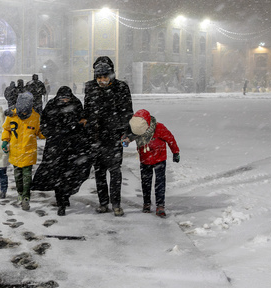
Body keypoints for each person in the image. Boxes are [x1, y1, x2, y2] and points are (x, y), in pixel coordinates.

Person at [83, 56, 133, 216]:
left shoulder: (121, 88)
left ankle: (116, 204)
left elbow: (127, 111)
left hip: (114, 136)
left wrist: (126, 133)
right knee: (99, 172)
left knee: (115, 171)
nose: (102, 80)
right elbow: (87, 110)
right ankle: (103, 203)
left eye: (105, 77)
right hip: (96, 136)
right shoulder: (90, 88)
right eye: (99, 77)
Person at [32, 86, 93, 216]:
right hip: (56, 147)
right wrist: (54, 133)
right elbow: (44, 124)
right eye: (62, 98)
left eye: (67, 98)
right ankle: (61, 201)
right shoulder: (52, 105)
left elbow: (81, 123)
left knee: (71, 173)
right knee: (57, 174)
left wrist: (76, 130)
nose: (65, 101)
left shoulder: (76, 104)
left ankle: (66, 196)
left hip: (73, 146)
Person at [123, 109, 180, 217]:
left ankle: (160, 205)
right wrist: (124, 140)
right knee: (146, 182)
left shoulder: (159, 128)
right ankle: (146, 203)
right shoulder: (136, 129)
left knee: (160, 183)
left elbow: (170, 139)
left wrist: (176, 152)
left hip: (159, 159)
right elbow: (125, 142)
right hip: (145, 160)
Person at [2, 92, 44, 211]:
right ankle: (20, 193)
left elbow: (39, 132)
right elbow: (6, 129)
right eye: (22, 111)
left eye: (26, 111)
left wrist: (46, 134)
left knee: (27, 176)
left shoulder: (35, 117)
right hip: (15, 151)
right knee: (18, 176)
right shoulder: (12, 116)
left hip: (28, 151)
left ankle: (26, 197)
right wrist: (5, 140)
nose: (24, 113)